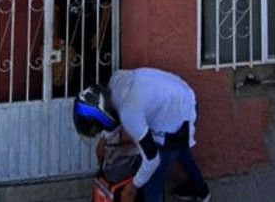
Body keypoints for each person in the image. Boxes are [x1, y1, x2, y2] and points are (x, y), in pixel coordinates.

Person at [73, 67, 211, 202]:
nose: (98, 129)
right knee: (179, 148)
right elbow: (117, 110)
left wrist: (132, 187)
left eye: (97, 126)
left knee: (152, 180)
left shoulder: (129, 113)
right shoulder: (116, 81)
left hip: (181, 114)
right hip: (182, 93)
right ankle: (201, 190)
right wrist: (104, 138)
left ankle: (198, 189)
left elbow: (152, 159)